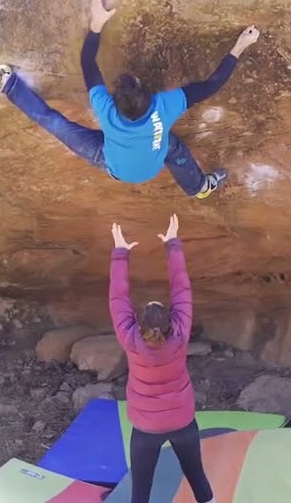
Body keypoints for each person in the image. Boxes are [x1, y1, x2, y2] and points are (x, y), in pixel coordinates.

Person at [0, 0, 259, 198]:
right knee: (171, 145)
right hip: (147, 160)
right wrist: (239, 47)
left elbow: (88, 62)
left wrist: (96, 24)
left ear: (116, 103)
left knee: (52, 121)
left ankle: (7, 82)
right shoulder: (165, 106)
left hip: (115, 164)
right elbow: (212, 84)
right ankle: (199, 187)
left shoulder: (106, 109)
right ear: (149, 95)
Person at [109, 214, 213, 503]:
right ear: (170, 322)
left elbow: (118, 298)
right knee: (197, 477)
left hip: (146, 428)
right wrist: (172, 245)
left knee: (141, 491)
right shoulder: (180, 335)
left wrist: (120, 253)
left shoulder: (130, 338)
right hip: (182, 421)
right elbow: (182, 290)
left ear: (137, 322)